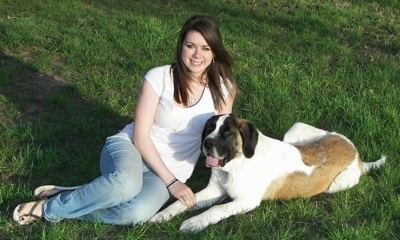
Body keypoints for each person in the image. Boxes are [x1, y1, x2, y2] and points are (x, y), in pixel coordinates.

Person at [13, 15, 238, 225]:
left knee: (136, 212)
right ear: (181, 47)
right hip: (132, 148)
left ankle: (82, 194)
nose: (197, 55)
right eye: (190, 46)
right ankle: (48, 208)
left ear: (214, 52)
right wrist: (172, 183)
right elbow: (140, 137)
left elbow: (221, 138)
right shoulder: (159, 77)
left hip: (173, 168)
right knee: (125, 185)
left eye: (205, 48)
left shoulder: (223, 87)